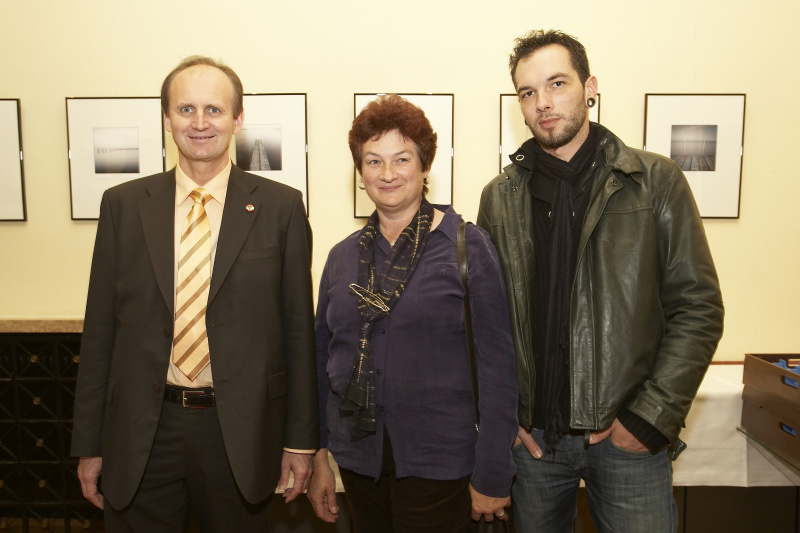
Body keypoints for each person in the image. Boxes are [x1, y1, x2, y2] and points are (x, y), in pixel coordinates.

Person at [477, 30, 724, 532]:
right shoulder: (498, 197)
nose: (543, 103)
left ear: (590, 87)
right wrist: (504, 420)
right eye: (528, 93)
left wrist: (650, 418)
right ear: (519, 107)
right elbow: (486, 323)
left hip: (626, 439)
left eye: (557, 83)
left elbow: (698, 307)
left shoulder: (655, 180)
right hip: (534, 446)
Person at [70, 55, 318, 531]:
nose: (200, 123)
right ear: (166, 118)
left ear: (238, 119)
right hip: (142, 433)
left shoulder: (281, 208)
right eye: (185, 110)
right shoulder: (123, 206)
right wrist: (90, 443)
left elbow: (297, 333)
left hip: (241, 435)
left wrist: (300, 442)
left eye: (214, 109)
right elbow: (100, 331)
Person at [308, 94, 518, 532]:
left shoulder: (466, 247)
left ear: (425, 167)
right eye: (373, 161)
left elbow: (499, 368)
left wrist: (494, 471)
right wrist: (320, 457)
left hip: (440, 462)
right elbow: (321, 362)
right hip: (360, 459)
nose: (387, 174)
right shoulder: (341, 258)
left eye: (402, 159)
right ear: (360, 173)